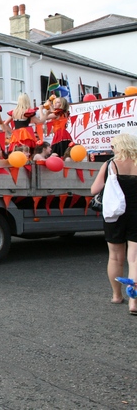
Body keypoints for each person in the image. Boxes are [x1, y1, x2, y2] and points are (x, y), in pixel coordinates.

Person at [91, 133, 137, 314]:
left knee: (115, 257)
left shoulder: (111, 164)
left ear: (119, 147)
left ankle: (117, 295)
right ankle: (134, 302)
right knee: (134, 259)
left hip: (115, 215)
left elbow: (94, 189)